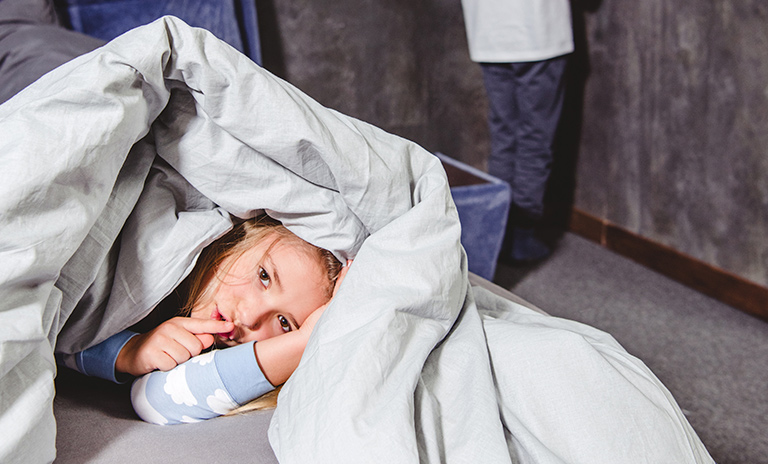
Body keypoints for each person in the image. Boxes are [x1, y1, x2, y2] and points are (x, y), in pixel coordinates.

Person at [57, 215, 350, 425]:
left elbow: (154, 400)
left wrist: (305, 342)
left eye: (285, 323)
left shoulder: (215, 356)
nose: (249, 317)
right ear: (247, 235)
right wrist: (125, 351)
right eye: (263, 276)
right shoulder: (171, 230)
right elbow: (60, 326)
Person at [461, 0, 574, 262]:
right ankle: (521, 234)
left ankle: (498, 232)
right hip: (537, 32)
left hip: (487, 30)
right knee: (534, 138)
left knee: (504, 136)